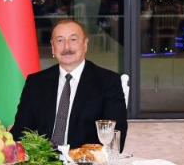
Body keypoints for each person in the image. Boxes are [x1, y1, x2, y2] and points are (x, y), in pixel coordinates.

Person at [12, 18, 128, 151]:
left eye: (73, 39)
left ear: (85, 44)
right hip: (42, 159)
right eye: (60, 41)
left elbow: (115, 138)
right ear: (53, 47)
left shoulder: (108, 81)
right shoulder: (35, 82)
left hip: (86, 160)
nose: (67, 47)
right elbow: (21, 131)